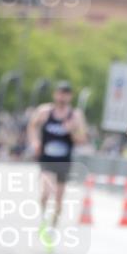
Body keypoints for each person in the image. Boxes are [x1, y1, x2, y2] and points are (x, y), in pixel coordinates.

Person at [27, 81, 87, 241]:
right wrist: (34, 142)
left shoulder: (75, 115)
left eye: (66, 94)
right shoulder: (45, 111)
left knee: (59, 197)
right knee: (45, 193)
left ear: (70, 96)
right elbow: (32, 126)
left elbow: (82, 139)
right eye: (60, 93)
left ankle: (52, 228)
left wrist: (72, 130)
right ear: (55, 94)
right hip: (46, 158)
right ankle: (43, 219)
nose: (62, 97)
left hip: (64, 160)